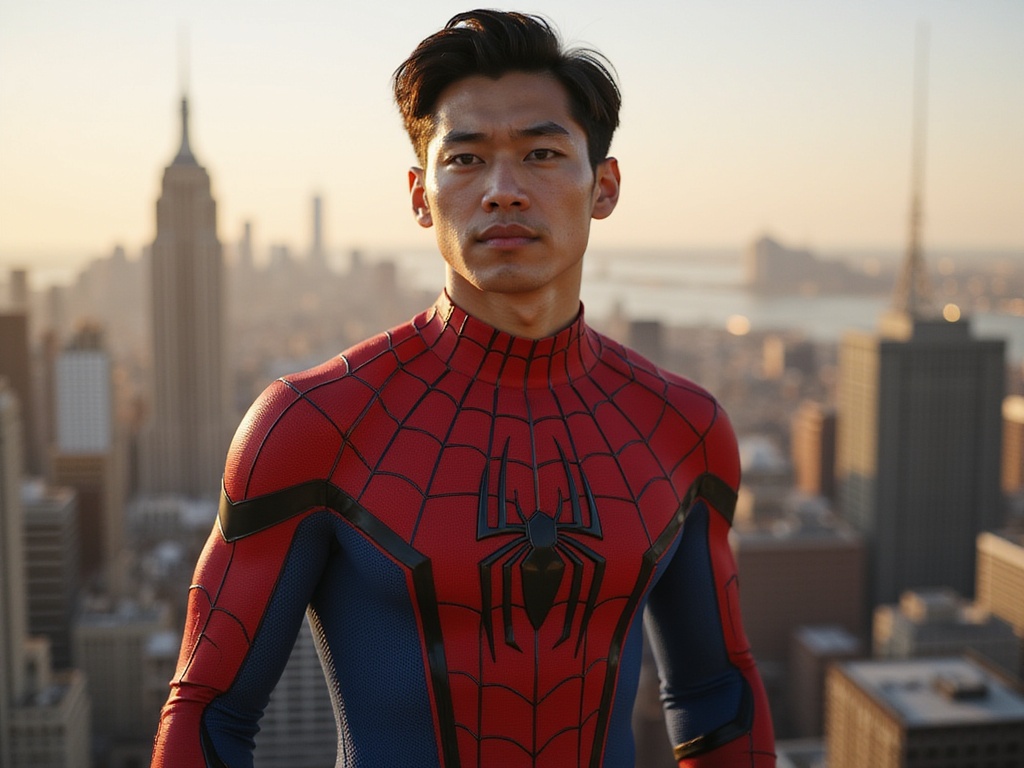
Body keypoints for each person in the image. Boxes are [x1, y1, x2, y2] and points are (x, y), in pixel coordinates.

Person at [151, 10, 775, 767]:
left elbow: (718, 697)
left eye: (543, 153)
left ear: (604, 186)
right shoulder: (312, 424)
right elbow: (208, 715)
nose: (504, 191)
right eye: (467, 160)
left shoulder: (684, 428)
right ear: (420, 196)